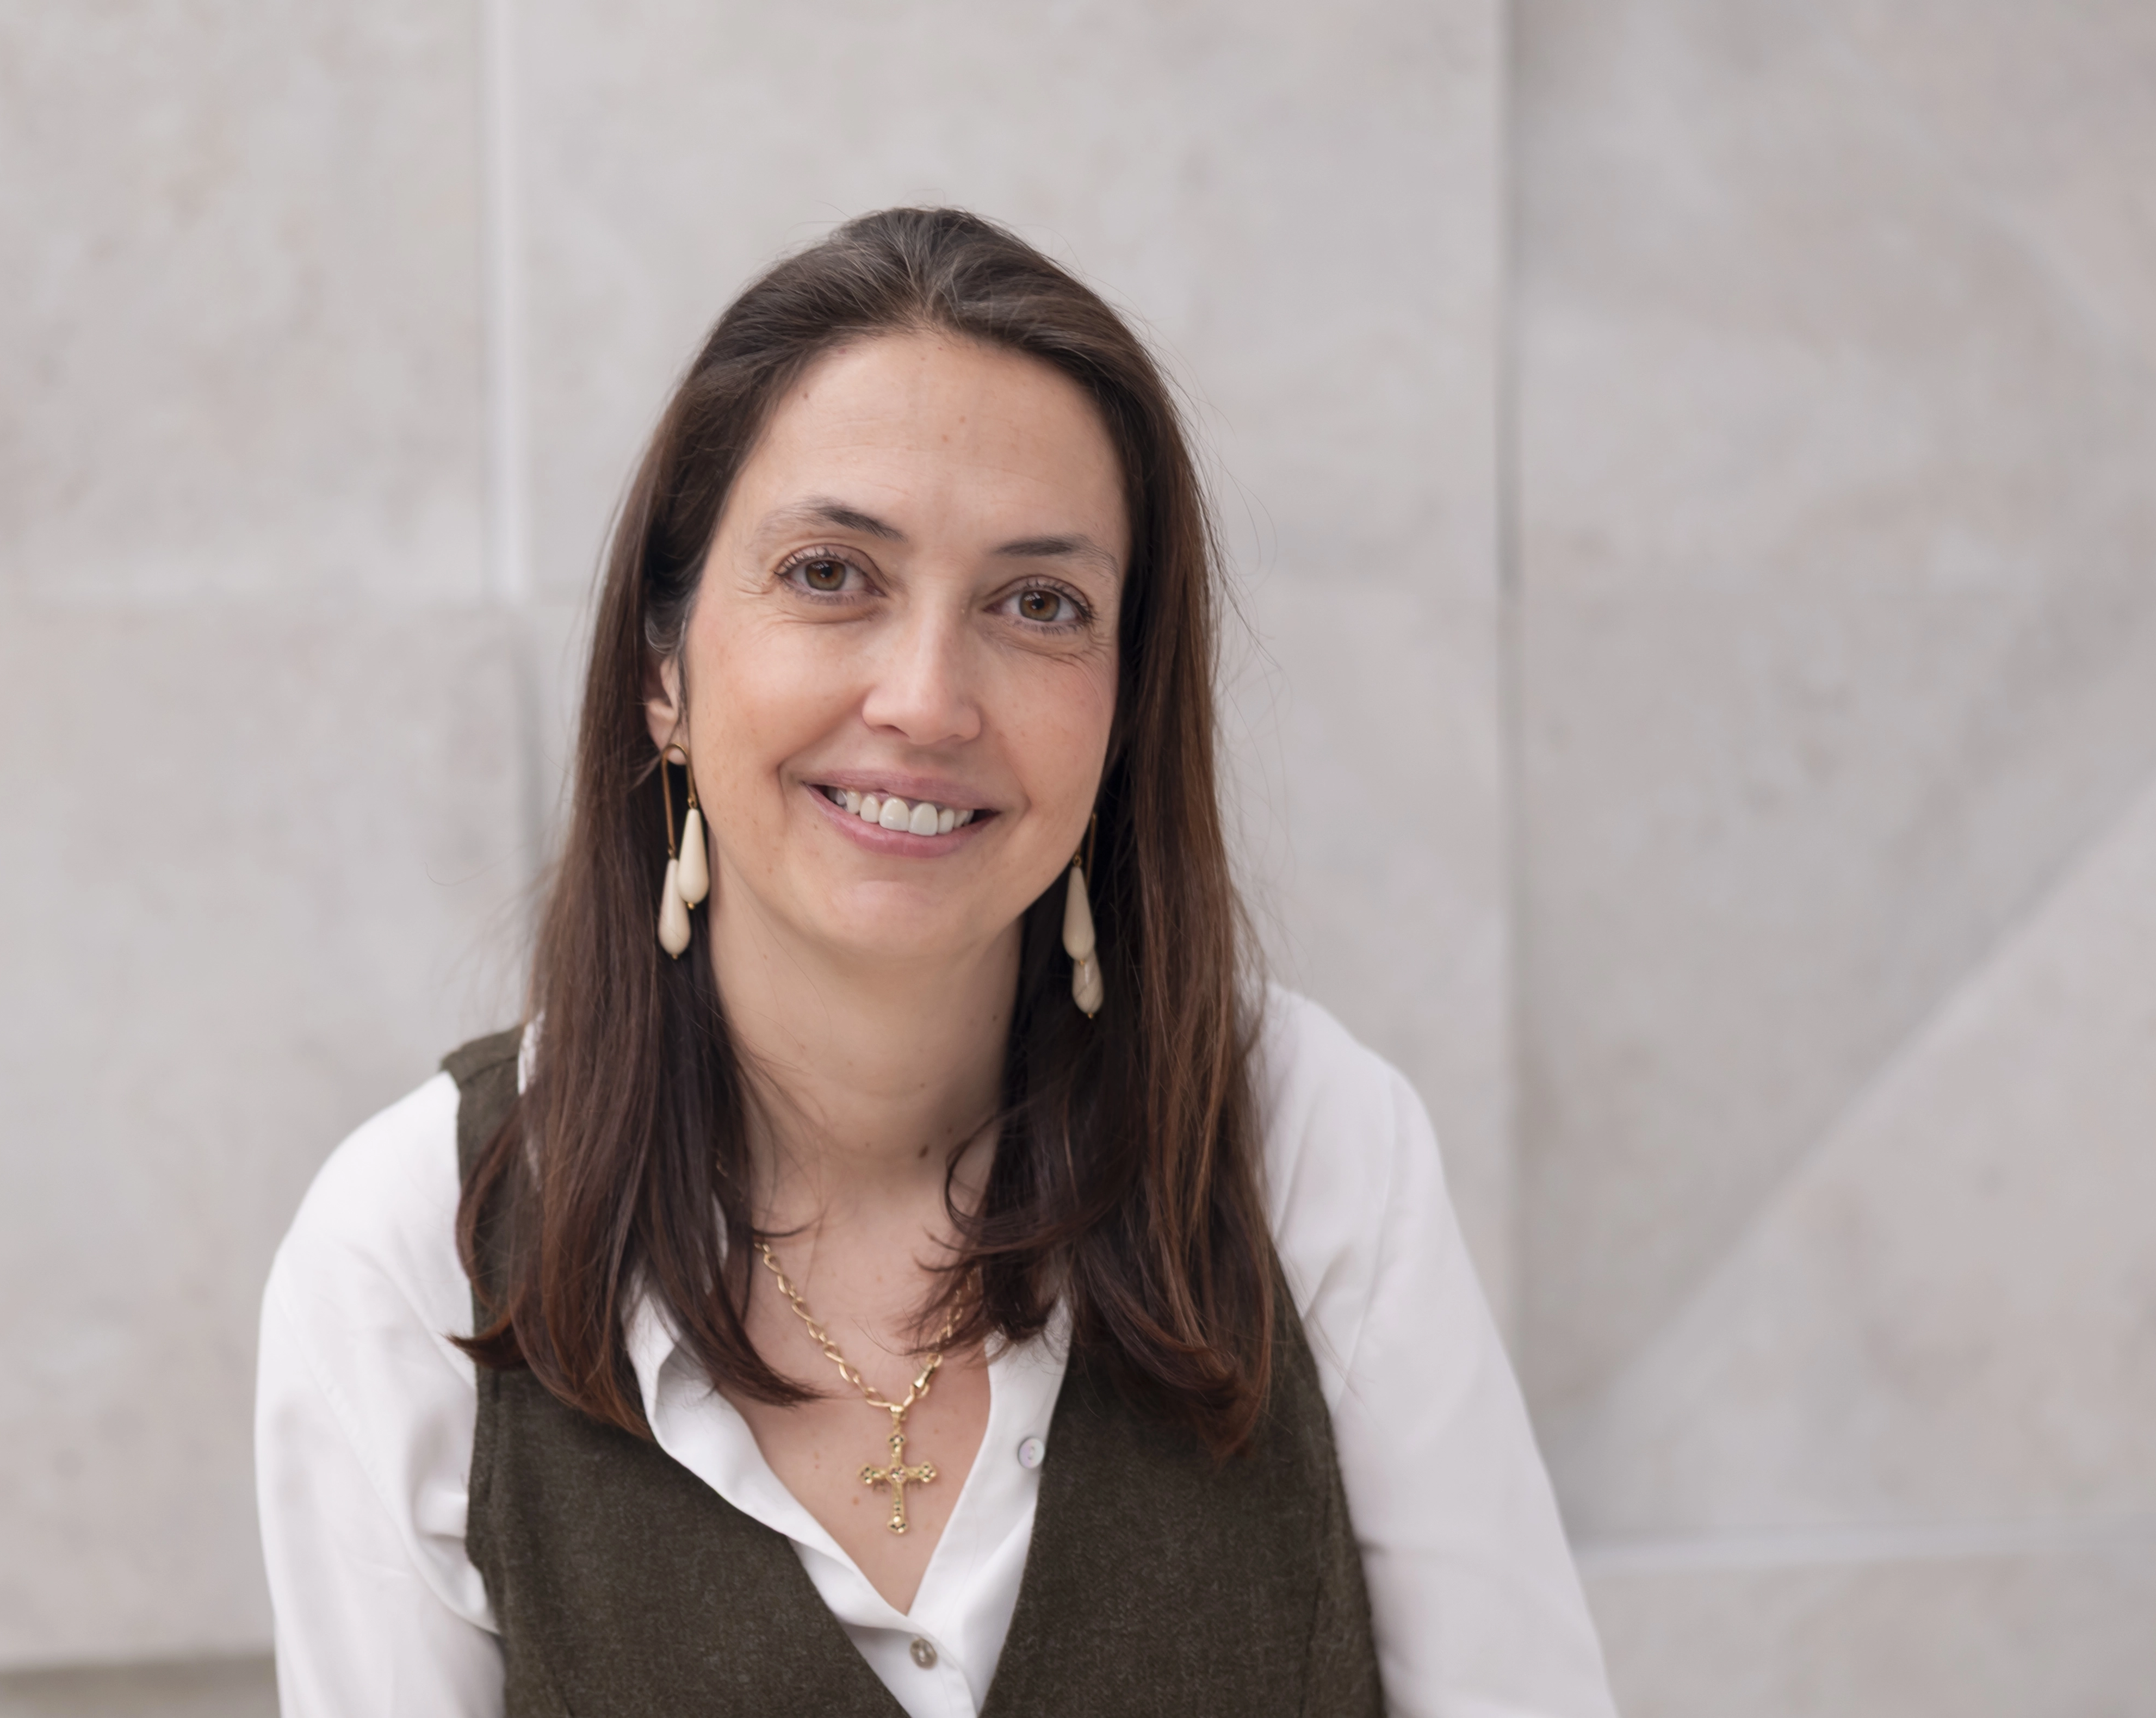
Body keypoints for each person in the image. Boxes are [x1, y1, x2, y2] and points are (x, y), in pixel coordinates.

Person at [255, 207, 1615, 1717]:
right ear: (664, 676)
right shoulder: (407, 1248)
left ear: (1122, 704)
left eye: (1041, 604)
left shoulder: (1307, 1143)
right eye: (832, 573)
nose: (927, 698)